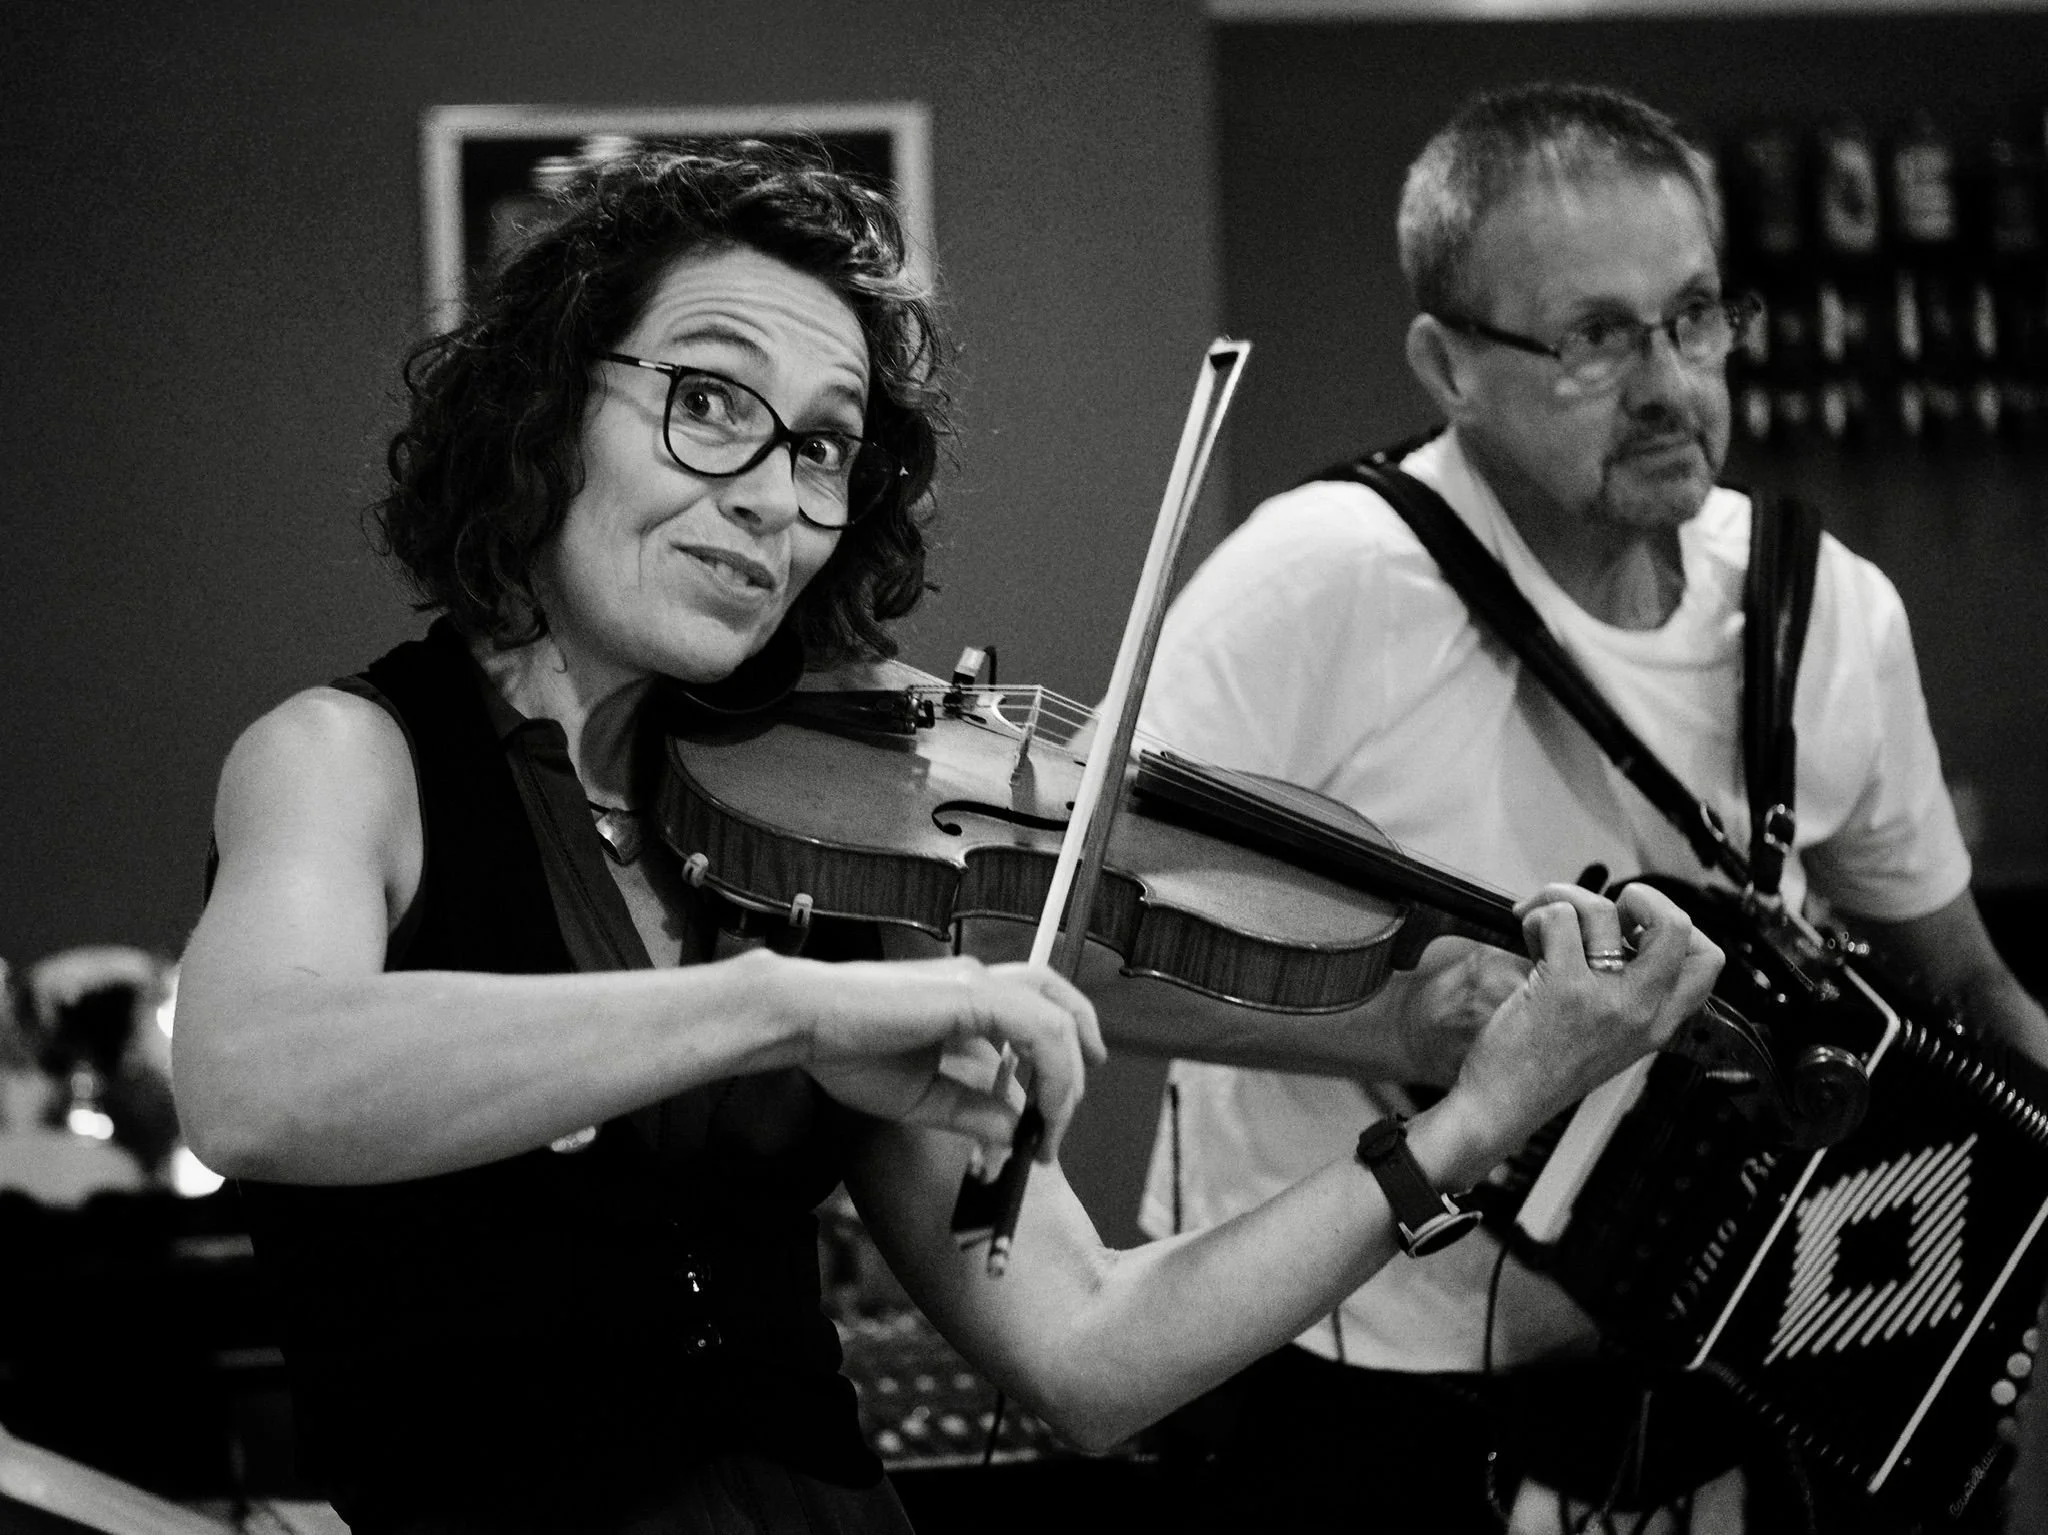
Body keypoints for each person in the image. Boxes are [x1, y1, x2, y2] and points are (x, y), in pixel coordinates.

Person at [167, 141, 1721, 1535]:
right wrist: (779, 1011)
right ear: (547, 402)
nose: (773, 496)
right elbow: (254, 1077)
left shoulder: (823, 838)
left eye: (823, 447)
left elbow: (1093, 1353)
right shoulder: (346, 761)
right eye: (710, 405)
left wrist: (1463, 1126)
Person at [1131, 84, 2048, 1534]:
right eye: (1591, 336)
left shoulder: (1829, 609)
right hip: (1362, 1380)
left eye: (1694, 315)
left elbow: (1961, 980)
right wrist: (1403, 1028)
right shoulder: (1314, 585)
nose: (1671, 382)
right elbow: (1092, 964)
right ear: (1446, 361)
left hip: (1720, 1378)